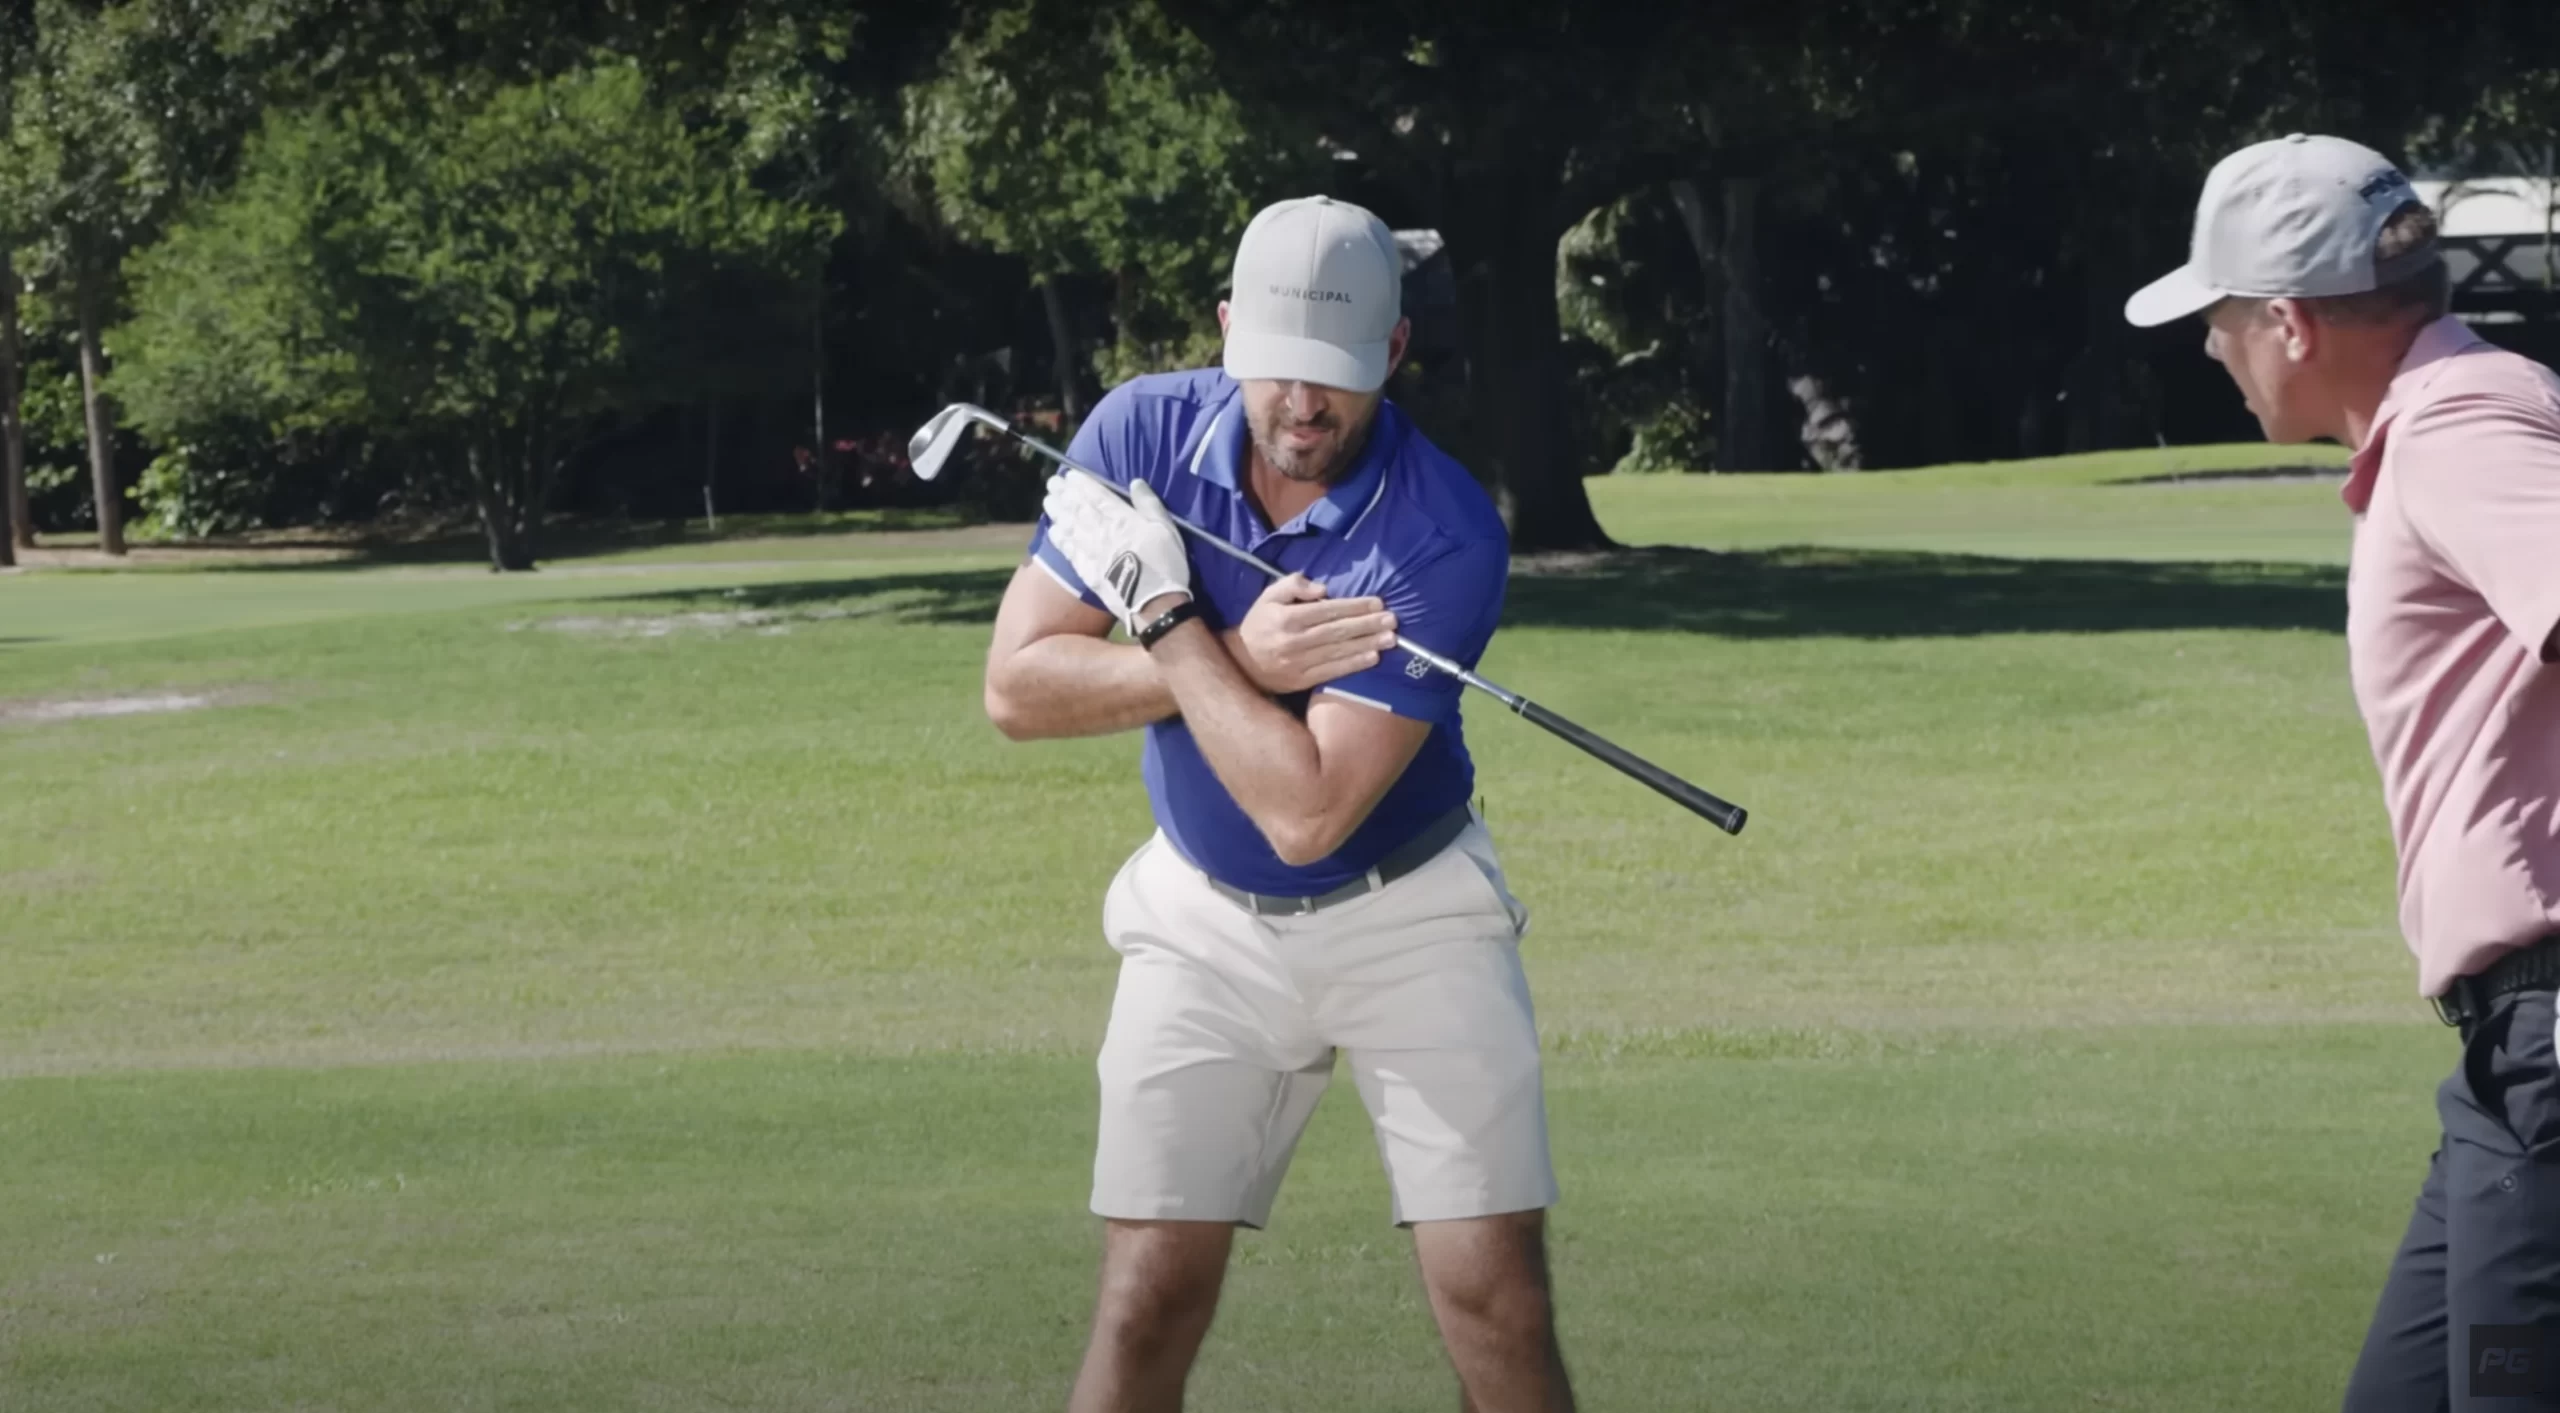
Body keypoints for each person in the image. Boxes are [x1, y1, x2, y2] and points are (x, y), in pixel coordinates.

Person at [982, 194, 1577, 1413]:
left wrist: (1163, 620)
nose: (1302, 407)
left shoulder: (1443, 531)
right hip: (1199, 918)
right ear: (1225, 334)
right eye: (1276, 372)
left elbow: (1306, 814)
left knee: (1495, 1308)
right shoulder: (1136, 431)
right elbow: (1017, 690)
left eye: (1337, 379)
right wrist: (1233, 656)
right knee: (1146, 1292)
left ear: (1395, 355)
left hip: (1410, 914)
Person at [2129, 134, 2560, 1409]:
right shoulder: (2461, 411)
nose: (2213, 350)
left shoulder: (2463, 427)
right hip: (2505, 1067)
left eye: (2218, 320)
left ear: (2286, 322)